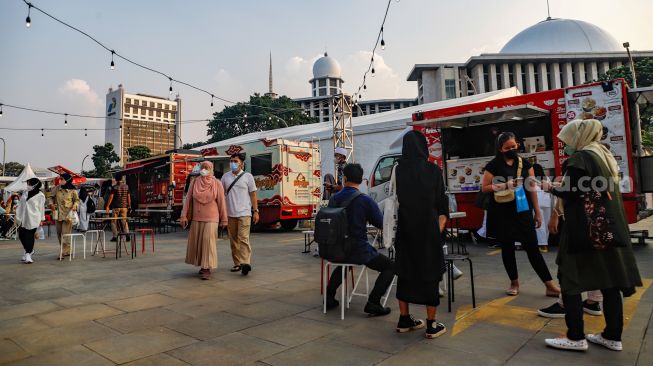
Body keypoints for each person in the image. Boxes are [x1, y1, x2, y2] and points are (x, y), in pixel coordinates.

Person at [543, 119, 642, 352]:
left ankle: (575, 337)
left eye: (567, 141)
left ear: (579, 137)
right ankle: (612, 336)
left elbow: (570, 191)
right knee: (609, 282)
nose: (566, 146)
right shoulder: (603, 155)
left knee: (571, 280)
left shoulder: (581, 158)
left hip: (583, 230)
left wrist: (549, 187)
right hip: (608, 230)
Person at [481, 132, 560, 297]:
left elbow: (532, 187)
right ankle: (514, 283)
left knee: (532, 247)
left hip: (523, 210)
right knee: (508, 248)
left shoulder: (524, 163)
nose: (511, 149)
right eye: (507, 147)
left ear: (517, 144)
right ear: (500, 149)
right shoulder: (493, 165)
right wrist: (505, 185)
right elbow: (485, 187)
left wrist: (537, 212)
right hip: (502, 212)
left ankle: (549, 284)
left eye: (513, 146)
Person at [393, 131, 448, 339]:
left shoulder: (399, 170)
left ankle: (404, 319)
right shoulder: (433, 170)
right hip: (427, 231)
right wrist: (439, 227)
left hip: (406, 229)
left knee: (405, 271)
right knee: (430, 273)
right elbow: (441, 204)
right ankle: (431, 324)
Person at [325, 163, 394, 316]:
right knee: (390, 266)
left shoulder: (334, 199)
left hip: (335, 249)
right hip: (358, 250)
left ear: (345, 179)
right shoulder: (366, 200)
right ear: (362, 181)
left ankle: (329, 297)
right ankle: (373, 302)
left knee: (344, 263)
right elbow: (380, 223)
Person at [180, 161, 228, 280]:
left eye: (207, 167)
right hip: (197, 217)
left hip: (212, 217)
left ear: (211, 169)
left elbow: (222, 202)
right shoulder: (194, 182)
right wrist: (183, 215)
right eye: (203, 167)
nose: (204, 169)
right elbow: (188, 200)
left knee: (207, 241)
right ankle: (203, 265)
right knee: (199, 243)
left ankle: (207, 268)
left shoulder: (217, 183)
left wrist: (224, 219)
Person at [221, 152, 259, 276]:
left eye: (235, 161)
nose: (233, 163)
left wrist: (256, 211)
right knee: (233, 240)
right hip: (230, 213)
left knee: (243, 238)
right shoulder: (225, 177)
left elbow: (253, 194)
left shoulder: (248, 177)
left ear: (242, 163)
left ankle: (245, 263)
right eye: (231, 161)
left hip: (245, 213)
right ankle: (237, 263)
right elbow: (221, 195)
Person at [16, 178, 45, 264]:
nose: (27, 185)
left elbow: (41, 208)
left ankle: (28, 254)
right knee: (21, 234)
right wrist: (17, 215)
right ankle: (29, 250)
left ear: (34, 185)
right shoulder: (25, 193)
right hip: (23, 217)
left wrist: (42, 219)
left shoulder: (41, 195)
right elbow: (21, 205)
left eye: (29, 183)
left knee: (29, 235)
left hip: (34, 218)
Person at [50, 173, 80, 259]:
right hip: (58, 214)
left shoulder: (73, 190)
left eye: (62, 179)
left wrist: (75, 206)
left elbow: (77, 200)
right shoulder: (56, 189)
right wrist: (51, 204)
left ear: (67, 180)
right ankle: (67, 251)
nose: (60, 180)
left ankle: (62, 252)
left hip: (68, 215)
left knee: (65, 234)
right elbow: (50, 198)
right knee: (59, 233)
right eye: (60, 179)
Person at [532, 163, 552, 252]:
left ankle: (542, 245)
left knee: (540, 223)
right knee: (547, 223)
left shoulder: (531, 179)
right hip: (547, 202)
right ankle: (545, 243)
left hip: (538, 202)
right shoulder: (546, 178)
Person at [105, 174, 131, 242]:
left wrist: (107, 206)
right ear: (122, 179)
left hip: (116, 207)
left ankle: (115, 236)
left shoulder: (115, 187)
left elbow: (111, 197)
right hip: (124, 207)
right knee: (124, 221)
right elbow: (128, 197)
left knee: (113, 222)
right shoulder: (126, 186)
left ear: (116, 179)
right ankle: (127, 234)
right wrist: (129, 206)